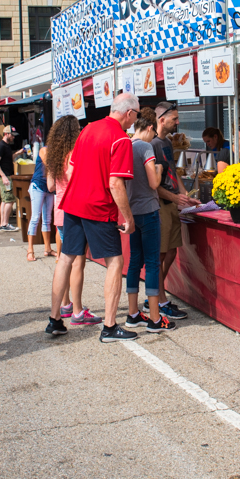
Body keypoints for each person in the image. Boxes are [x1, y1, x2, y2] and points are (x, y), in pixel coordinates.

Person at [47, 93, 139, 342]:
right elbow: (115, 183)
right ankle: (110, 326)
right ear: (128, 113)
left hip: (73, 203)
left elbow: (73, 167)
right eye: (135, 115)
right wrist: (128, 218)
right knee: (115, 262)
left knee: (65, 258)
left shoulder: (87, 130)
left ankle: (55, 319)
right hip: (98, 206)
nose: (134, 121)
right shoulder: (120, 138)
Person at [124, 109, 176, 333]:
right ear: (148, 128)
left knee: (135, 261)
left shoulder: (124, 145)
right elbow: (154, 182)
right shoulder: (145, 147)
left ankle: (133, 313)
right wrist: (159, 168)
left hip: (132, 209)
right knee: (153, 263)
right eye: (153, 130)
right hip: (148, 209)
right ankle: (155, 318)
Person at [44, 116, 94, 324]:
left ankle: (65, 305)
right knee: (78, 263)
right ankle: (78, 310)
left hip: (59, 212)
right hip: (75, 211)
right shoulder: (76, 154)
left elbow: (50, 187)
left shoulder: (53, 156)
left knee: (64, 260)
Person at [151, 102, 193, 321]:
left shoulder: (166, 143)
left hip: (172, 204)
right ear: (161, 120)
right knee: (159, 254)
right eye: (174, 119)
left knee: (171, 251)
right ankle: (160, 299)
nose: (177, 122)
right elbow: (152, 184)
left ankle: (155, 294)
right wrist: (176, 197)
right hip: (160, 205)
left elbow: (173, 171)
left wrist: (185, 195)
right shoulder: (152, 144)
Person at [25, 140, 55, 261]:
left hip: (49, 188)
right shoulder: (45, 150)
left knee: (47, 219)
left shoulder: (57, 154)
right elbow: (49, 166)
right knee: (35, 217)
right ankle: (30, 250)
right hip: (38, 186)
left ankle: (47, 248)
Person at [0, 127, 19, 231]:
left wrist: (19, 153)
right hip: (4, 176)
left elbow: (8, 158)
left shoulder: (5, 146)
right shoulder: (1, 146)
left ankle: (3, 223)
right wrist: (3, 176)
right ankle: (5, 223)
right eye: (12, 135)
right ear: (6, 134)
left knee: (5, 200)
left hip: (5, 175)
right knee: (9, 199)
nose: (13, 137)